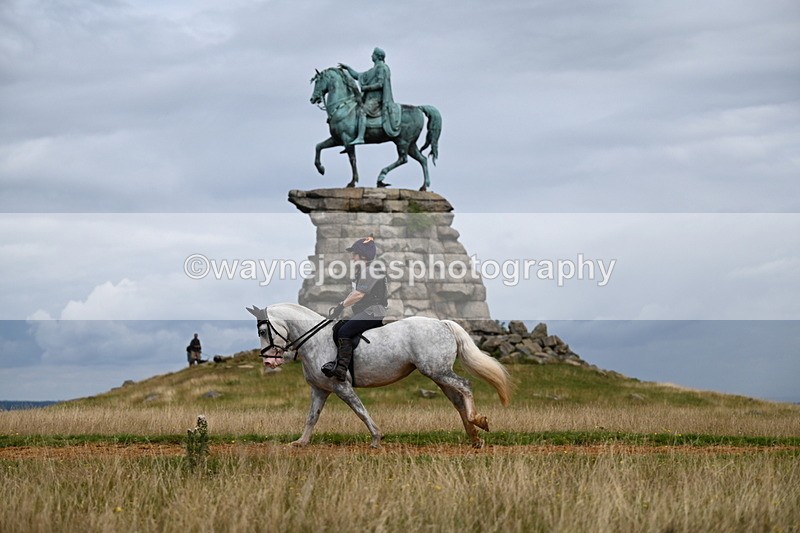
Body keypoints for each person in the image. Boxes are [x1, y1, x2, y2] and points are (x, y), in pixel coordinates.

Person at [322, 236, 387, 381]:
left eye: (354, 254)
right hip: (366, 312)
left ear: (363, 255)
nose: (352, 258)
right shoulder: (364, 271)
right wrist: (341, 305)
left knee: (344, 331)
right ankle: (339, 361)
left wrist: (342, 306)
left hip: (372, 312)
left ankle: (341, 369)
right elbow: (354, 293)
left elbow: (359, 294)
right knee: (338, 327)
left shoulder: (371, 270)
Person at [339, 47, 401, 146]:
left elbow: (380, 84)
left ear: (378, 56)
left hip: (376, 99)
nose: (371, 56)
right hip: (369, 99)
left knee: (362, 111)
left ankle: (360, 137)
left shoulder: (382, 68)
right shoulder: (373, 70)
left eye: (373, 54)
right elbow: (358, 75)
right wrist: (348, 68)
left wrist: (366, 88)